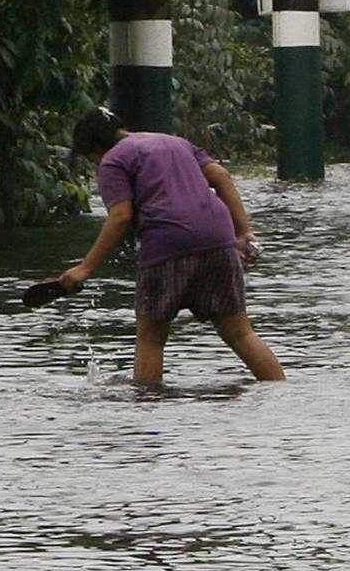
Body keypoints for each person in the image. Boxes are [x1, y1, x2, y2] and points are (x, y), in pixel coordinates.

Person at [54, 108, 286, 385]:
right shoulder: (175, 142)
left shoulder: (113, 161)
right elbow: (222, 176)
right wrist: (244, 231)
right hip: (219, 239)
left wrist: (85, 268)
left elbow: (121, 217)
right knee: (240, 333)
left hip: (167, 245)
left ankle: (150, 410)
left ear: (93, 148)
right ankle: (279, 393)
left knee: (151, 337)